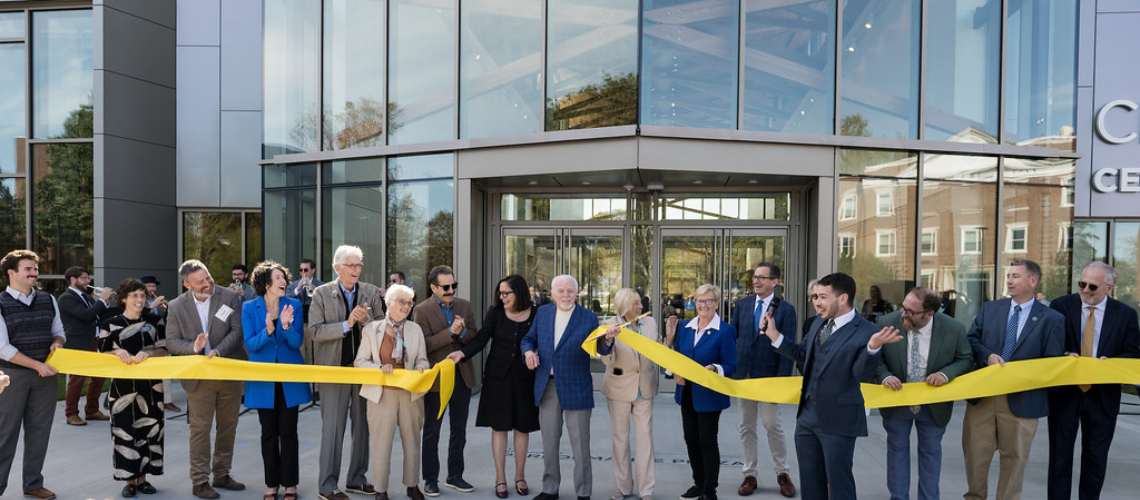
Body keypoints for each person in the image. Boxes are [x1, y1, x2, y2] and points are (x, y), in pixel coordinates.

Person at [763, 272, 901, 500]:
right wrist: (774, 335)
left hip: (839, 420)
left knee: (839, 485)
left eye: (823, 297)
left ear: (843, 298)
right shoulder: (820, 322)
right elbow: (802, 354)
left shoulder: (867, 332)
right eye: (816, 296)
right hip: (807, 417)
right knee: (810, 484)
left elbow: (861, 375)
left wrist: (873, 349)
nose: (817, 302)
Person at [963, 259, 1064, 500]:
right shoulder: (990, 309)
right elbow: (972, 341)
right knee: (975, 456)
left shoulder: (1052, 319)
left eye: (1016, 276)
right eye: (1008, 276)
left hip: (1023, 400)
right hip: (984, 397)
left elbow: (1051, 362)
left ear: (1033, 280)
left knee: (1015, 460)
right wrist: (987, 355)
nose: (1009, 280)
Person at [1047, 262, 1140, 500]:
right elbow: (1049, 345)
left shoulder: (1126, 314)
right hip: (1065, 393)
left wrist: (1114, 362)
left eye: (1092, 286)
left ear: (1109, 288)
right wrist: (1064, 355)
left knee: (1096, 458)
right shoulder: (1060, 306)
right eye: (1082, 283)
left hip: (1103, 395)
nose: (1085, 290)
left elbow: (1133, 351)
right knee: (1059, 457)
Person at [874, 287, 973, 500]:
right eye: (903, 307)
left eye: (910, 311)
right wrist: (885, 376)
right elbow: (876, 358)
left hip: (933, 404)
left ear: (929, 313)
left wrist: (945, 375)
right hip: (896, 400)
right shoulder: (887, 323)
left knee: (930, 454)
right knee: (897, 452)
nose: (903, 314)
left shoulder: (953, 329)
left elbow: (965, 358)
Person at [446, 275, 539, 499]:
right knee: (499, 427)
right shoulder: (495, 312)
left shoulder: (536, 313)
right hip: (498, 378)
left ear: (519, 293)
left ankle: (520, 476)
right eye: (500, 292)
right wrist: (463, 353)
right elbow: (481, 339)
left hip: (526, 378)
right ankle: (500, 478)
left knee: (522, 428)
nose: (501, 296)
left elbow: (540, 340)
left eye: (506, 293)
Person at [165, 259, 248, 499]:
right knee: (200, 429)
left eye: (208, 277)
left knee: (228, 426)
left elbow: (237, 330)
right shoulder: (176, 306)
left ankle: (221, 474)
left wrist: (218, 351)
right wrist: (194, 346)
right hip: (199, 376)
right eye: (199, 282)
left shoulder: (229, 297)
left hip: (227, 369)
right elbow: (171, 341)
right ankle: (199, 481)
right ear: (186, 285)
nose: (207, 283)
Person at [308, 245, 385, 500]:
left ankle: (356, 479)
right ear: (337, 267)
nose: (356, 270)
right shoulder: (320, 294)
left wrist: (366, 321)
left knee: (363, 427)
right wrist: (347, 324)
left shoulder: (371, 292)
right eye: (351, 265)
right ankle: (327, 485)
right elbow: (316, 332)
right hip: (334, 372)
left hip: (365, 372)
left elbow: (383, 329)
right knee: (333, 428)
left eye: (359, 265)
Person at [521, 274, 601, 500]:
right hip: (547, 386)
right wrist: (528, 351)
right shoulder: (543, 314)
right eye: (561, 291)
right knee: (549, 442)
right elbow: (528, 339)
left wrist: (609, 340)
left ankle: (584, 493)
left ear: (577, 293)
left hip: (577, 387)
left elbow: (600, 350)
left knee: (581, 446)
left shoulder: (588, 318)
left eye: (570, 291)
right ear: (553, 293)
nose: (566, 295)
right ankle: (550, 489)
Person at [243, 261, 312, 500]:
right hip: (263, 379)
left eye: (284, 277)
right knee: (268, 432)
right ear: (265, 283)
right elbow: (250, 344)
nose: (284, 281)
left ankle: (290, 484)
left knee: (288, 431)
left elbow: (296, 343)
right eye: (278, 277)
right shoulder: (249, 308)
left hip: (289, 378)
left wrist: (283, 326)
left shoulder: (294, 305)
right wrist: (268, 331)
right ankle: (271, 484)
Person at [0, 250, 66, 500]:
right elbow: (2, 348)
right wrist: (36, 365)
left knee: (40, 431)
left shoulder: (49, 299)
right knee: (5, 434)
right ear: (11, 273)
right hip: (10, 378)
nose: (34, 273)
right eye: (28, 269)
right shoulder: (0, 303)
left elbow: (58, 330)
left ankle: (33, 483)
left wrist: (57, 342)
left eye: (35, 269)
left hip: (45, 377)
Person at [356, 284, 430, 500]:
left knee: (412, 442)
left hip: (410, 394)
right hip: (381, 395)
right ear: (388, 302)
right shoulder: (371, 330)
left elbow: (423, 359)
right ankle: (380, 489)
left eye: (409, 303)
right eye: (402, 302)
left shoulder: (415, 329)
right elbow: (360, 362)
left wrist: (421, 367)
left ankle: (412, 485)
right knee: (381, 444)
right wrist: (379, 369)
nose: (406, 306)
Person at [728, 263, 796, 497]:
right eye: (754, 277)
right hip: (744, 376)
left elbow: (788, 350)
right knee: (747, 426)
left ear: (775, 282)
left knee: (771, 425)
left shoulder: (786, 310)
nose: (756, 281)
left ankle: (782, 473)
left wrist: (781, 383)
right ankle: (750, 475)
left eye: (762, 278)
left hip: (770, 378)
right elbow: (732, 338)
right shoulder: (743, 305)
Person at [98, 278, 168, 498]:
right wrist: (114, 352)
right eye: (134, 296)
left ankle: (143, 479)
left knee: (149, 431)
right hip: (122, 389)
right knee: (125, 433)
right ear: (124, 299)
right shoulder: (110, 323)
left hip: (151, 387)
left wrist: (150, 353)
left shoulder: (155, 321)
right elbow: (101, 353)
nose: (139, 300)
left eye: (142, 295)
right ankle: (129, 480)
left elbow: (164, 348)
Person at [665, 284, 736, 500]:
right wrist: (673, 371)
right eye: (699, 300)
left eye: (708, 301)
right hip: (686, 393)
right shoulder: (685, 326)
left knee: (707, 440)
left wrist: (715, 369)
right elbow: (675, 357)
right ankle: (698, 483)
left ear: (716, 303)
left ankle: (709, 490)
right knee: (691, 440)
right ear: (694, 303)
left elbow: (732, 365)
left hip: (709, 395)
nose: (703, 305)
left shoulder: (725, 330)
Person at [413, 265, 477, 496]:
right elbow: (424, 345)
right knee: (432, 431)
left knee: (459, 430)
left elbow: (475, 338)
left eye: (454, 285)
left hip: (462, 375)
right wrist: (450, 332)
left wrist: (461, 333)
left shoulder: (465, 306)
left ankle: (455, 475)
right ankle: (430, 479)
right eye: (446, 287)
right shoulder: (421, 310)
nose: (451, 290)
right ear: (433, 287)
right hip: (437, 379)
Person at [598, 288, 661, 500]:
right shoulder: (608, 325)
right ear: (624, 305)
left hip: (645, 387)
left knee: (645, 440)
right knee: (621, 440)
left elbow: (657, 351)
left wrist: (669, 338)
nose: (641, 307)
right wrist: (608, 340)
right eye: (636, 304)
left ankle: (646, 491)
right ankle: (623, 488)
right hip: (618, 388)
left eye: (640, 303)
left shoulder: (650, 323)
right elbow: (606, 359)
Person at [58, 266, 113, 426]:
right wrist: (102, 300)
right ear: (73, 280)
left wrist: (107, 302)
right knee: (77, 380)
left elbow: (98, 315)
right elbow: (86, 315)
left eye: (88, 278)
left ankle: (92, 410)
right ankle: (71, 414)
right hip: (78, 343)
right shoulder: (66, 298)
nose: (88, 282)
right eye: (84, 278)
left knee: (98, 376)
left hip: (94, 341)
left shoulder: (86, 297)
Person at [141, 275, 180, 413]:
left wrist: (168, 309)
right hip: (144, 340)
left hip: (161, 339)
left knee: (165, 372)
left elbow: (169, 320)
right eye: (149, 286)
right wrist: (153, 306)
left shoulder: (160, 301)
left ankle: (167, 401)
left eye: (153, 286)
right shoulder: (138, 301)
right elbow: (139, 317)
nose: (152, 289)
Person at [286, 258, 324, 324]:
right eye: (301, 270)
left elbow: (325, 300)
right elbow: (286, 298)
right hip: (297, 320)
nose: (303, 272)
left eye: (306, 270)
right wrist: (297, 289)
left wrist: (315, 289)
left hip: (314, 320)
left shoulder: (321, 285)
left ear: (313, 270)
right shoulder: (293, 285)